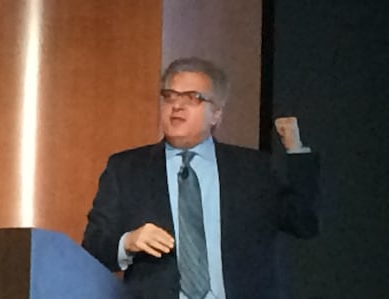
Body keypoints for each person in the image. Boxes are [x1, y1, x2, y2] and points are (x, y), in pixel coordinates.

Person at [81, 57, 319, 299]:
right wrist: (128, 242)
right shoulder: (127, 169)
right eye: (170, 96)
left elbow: (303, 222)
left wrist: (296, 150)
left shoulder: (253, 169)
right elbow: (92, 248)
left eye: (192, 98)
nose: (177, 106)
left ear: (216, 113)